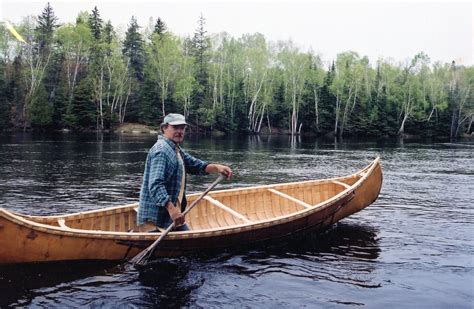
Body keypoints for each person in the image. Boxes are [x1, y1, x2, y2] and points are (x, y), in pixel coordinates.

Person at [136, 113, 232, 232]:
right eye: (175, 127)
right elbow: (156, 185)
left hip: (171, 218)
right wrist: (172, 209)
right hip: (156, 220)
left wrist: (217, 168)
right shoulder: (161, 151)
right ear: (164, 128)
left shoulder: (175, 149)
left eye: (182, 128)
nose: (180, 131)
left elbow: (195, 165)